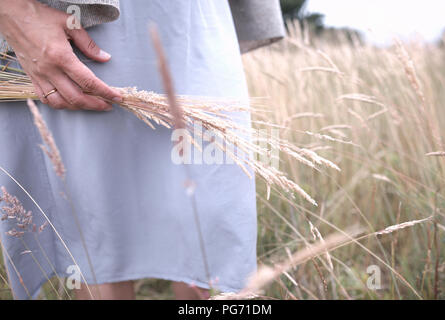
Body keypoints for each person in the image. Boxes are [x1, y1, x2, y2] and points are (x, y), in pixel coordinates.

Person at [0, 0, 284, 299]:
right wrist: (12, 9)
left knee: (211, 225)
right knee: (98, 235)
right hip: (77, 12)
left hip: (196, 14)